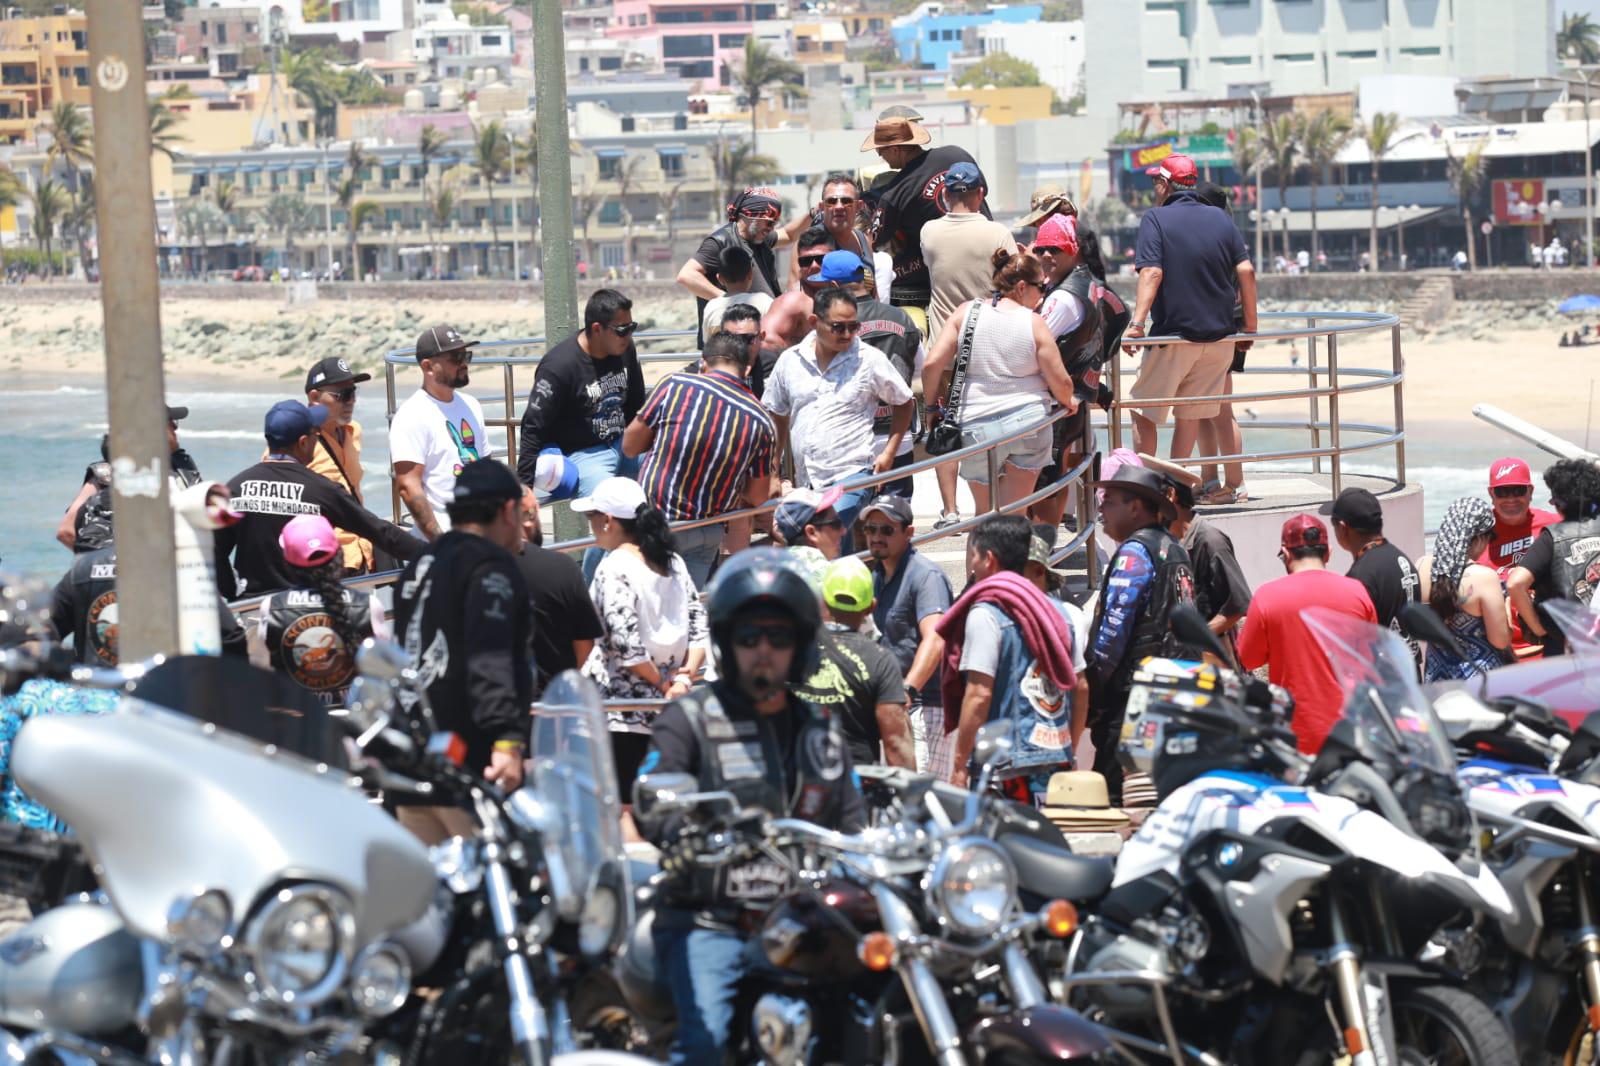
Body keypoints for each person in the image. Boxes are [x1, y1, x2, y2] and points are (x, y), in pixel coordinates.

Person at [637, 548, 863, 1066]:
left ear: (800, 645)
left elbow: (852, 819)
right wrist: (684, 819)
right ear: (727, 643)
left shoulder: (821, 728)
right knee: (709, 1042)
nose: (764, 650)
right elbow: (654, 794)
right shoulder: (690, 719)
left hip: (802, 918)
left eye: (779, 638)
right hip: (712, 920)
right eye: (749, 637)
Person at [392, 459, 532, 843]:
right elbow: (492, 656)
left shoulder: (420, 562)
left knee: (435, 896)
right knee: (495, 887)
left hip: (411, 763)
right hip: (469, 766)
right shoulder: (491, 566)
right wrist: (506, 740)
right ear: (506, 510)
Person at [576, 477, 709, 793]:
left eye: (591, 516)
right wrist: (681, 681)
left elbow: (627, 648)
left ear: (608, 521)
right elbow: (699, 628)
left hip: (621, 712)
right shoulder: (672, 561)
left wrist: (663, 684)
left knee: (622, 808)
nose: (590, 525)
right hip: (672, 708)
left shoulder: (614, 568)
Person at [1124, 154, 1258, 467]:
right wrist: (1249, 327)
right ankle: (1174, 486)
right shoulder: (1220, 218)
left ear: (1164, 184)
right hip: (1220, 338)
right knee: (1189, 416)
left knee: (1143, 411)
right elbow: (1247, 271)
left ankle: (1146, 485)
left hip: (1175, 336)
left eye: (1156, 181)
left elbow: (1151, 273)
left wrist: (1137, 324)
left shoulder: (1155, 219)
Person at [922, 249, 1078, 515]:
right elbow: (1061, 381)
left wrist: (930, 408)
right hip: (1028, 422)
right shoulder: (1034, 323)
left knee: (984, 516)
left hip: (976, 425)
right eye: (1041, 287)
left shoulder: (966, 313)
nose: (1043, 295)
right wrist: (1069, 402)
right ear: (1021, 287)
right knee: (1014, 514)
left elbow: (931, 365)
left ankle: (982, 554)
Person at [215, 401, 421, 600]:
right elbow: (379, 531)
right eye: (316, 434)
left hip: (253, 610)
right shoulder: (321, 490)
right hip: (309, 615)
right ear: (303, 442)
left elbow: (213, 552)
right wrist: (430, 551)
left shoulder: (234, 488)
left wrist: (233, 594)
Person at [936, 514, 1077, 797]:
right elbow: (1080, 686)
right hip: (1055, 756)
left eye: (973, 556)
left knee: (996, 840)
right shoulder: (1062, 613)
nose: (971, 565)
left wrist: (960, 765)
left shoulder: (986, 615)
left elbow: (978, 694)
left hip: (1005, 765)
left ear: (988, 559)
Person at [763, 287, 914, 549]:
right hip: (807, 479)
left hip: (852, 471)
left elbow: (904, 401)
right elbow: (777, 416)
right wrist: (773, 472)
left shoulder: (869, 359)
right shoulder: (789, 360)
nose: (847, 334)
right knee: (805, 544)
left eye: (853, 326)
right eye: (838, 327)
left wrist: (888, 453)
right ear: (814, 322)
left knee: (831, 529)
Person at [623, 331, 776, 589]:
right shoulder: (761, 419)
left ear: (703, 363)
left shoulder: (675, 385)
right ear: (747, 368)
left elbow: (629, 446)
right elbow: (758, 497)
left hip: (657, 523)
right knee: (681, 612)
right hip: (708, 530)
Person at [1085, 465, 1198, 802]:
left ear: (1135, 507)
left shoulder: (1134, 553)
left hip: (1134, 701)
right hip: (1177, 694)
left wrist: (1091, 690)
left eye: (1108, 502)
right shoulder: (1175, 549)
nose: (1100, 510)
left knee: (1120, 801)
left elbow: (1112, 633)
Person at [920, 161, 1018, 527]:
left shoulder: (929, 232)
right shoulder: (998, 233)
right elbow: (1010, 280)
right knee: (996, 422)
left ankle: (950, 511)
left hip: (946, 347)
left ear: (945, 195)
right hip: (992, 345)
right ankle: (995, 504)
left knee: (944, 427)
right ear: (981, 194)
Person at [1237, 515, 1377, 753]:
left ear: (1286, 553)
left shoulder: (1266, 597)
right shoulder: (1357, 592)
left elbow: (1248, 659)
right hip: (1350, 734)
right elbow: (1371, 658)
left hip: (1294, 737)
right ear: (1328, 552)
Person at [1033, 214, 1128, 527]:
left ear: (1074, 251)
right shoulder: (1091, 285)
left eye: (1055, 249)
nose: (1046, 255)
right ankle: (1042, 560)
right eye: (1040, 249)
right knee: (1054, 482)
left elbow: (1029, 345)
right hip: (1073, 400)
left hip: (1053, 403)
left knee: (1043, 488)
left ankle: (1039, 561)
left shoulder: (1063, 297)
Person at [516, 288, 646, 498]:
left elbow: (636, 403)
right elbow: (533, 426)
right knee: (610, 501)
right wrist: (525, 487)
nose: (628, 336)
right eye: (622, 330)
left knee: (668, 465)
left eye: (632, 327)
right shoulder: (558, 367)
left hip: (624, 442)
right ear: (597, 329)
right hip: (584, 455)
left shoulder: (625, 349)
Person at [813, 250, 924, 498]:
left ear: (833, 286)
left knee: (851, 526)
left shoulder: (832, 328)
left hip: (851, 440)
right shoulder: (902, 318)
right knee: (893, 522)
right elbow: (918, 368)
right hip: (897, 438)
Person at [50, 526, 246, 664]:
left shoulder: (81, 570)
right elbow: (230, 636)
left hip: (95, 699)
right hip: (160, 699)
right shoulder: (178, 570)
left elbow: (45, 630)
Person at [861, 114, 986, 322]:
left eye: (881, 152)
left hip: (946, 278)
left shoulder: (895, 193)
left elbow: (873, 239)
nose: (881, 157)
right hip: (985, 255)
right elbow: (983, 191)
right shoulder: (956, 154)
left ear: (895, 150)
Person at [253, 514, 388, 706]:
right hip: (357, 718)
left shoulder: (271, 607)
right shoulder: (368, 604)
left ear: (287, 562)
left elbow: (263, 668)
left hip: (298, 718)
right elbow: (384, 667)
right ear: (339, 554)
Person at [794, 556, 915, 768]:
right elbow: (896, 743)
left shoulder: (791, 651)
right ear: (871, 607)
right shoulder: (880, 660)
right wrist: (911, 797)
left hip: (798, 785)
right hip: (859, 787)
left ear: (822, 600)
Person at [861, 493, 953, 774]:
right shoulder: (875, 576)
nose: (877, 537)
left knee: (921, 806)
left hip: (925, 708)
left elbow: (936, 638)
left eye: (887, 530)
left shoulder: (925, 576)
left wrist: (907, 690)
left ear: (908, 533)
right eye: (871, 529)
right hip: (892, 708)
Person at [390, 325, 494, 541]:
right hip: (446, 540)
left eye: (466, 355)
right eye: (456, 358)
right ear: (428, 366)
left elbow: (488, 470)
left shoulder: (472, 405)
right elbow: (409, 487)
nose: (464, 363)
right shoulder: (411, 415)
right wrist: (441, 542)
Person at [58, 407, 201, 551]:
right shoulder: (107, 473)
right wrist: (99, 564)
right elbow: (66, 531)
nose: (175, 428)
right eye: (171, 422)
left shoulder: (183, 467)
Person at [1507, 458, 1600, 655]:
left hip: (1565, 643)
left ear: (1558, 503)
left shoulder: (1552, 537)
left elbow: (1515, 583)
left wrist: (1538, 628)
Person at [516, 487, 604, 695]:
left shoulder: (472, 569)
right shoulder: (562, 568)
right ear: (529, 517)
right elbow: (584, 647)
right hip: (554, 706)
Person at [1159, 464, 1250, 662]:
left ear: (1170, 495)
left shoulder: (1210, 541)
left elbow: (1238, 606)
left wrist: (1194, 636)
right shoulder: (1164, 541)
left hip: (1211, 658)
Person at [678, 186, 786, 348]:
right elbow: (686, 275)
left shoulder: (759, 238)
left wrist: (812, 215)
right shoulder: (719, 240)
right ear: (751, 215)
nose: (771, 227)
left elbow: (789, 234)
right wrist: (732, 301)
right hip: (732, 342)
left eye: (774, 223)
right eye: (769, 222)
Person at [1418, 497, 1510, 681]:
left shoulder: (1421, 566)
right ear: (1479, 537)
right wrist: (1506, 607)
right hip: (1480, 680)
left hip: (1436, 678)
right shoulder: (1484, 578)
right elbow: (1500, 640)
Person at [298, 356, 375, 573]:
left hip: (361, 557)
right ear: (314, 397)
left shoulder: (353, 431)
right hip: (324, 563)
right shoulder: (295, 443)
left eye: (353, 393)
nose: (351, 401)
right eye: (343, 395)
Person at [1478, 457, 1559, 656]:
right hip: (1494, 651)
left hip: (1548, 645)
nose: (1511, 499)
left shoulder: (1554, 526)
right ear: (1491, 493)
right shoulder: (1476, 533)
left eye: (1518, 490)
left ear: (1530, 491)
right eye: (1502, 491)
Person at [1321, 487, 1421, 647]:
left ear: (1342, 528)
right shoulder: (1402, 560)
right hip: (1408, 668)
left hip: (1378, 670)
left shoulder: (1359, 577)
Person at [1023, 526, 1090, 755]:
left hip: (1050, 736)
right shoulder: (993, 614)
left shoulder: (1069, 616)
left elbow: (1080, 685)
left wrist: (1071, 745)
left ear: (1039, 572)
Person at [788, 172, 878, 294]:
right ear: (821, 207)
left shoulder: (862, 239)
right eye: (831, 201)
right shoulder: (808, 247)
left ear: (859, 206)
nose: (839, 206)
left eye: (846, 201)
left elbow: (873, 291)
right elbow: (796, 298)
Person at [760, 225, 839, 351]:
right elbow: (767, 340)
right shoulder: (794, 301)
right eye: (806, 261)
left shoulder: (843, 289)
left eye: (821, 259)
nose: (814, 266)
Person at [700, 245, 774, 342]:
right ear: (751, 274)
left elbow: (708, 343)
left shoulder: (711, 306)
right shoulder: (764, 301)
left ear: (720, 279)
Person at [773, 485, 844, 559]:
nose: (844, 530)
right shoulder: (840, 569)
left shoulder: (786, 565)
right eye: (836, 524)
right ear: (811, 532)